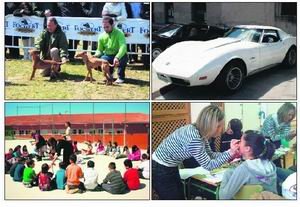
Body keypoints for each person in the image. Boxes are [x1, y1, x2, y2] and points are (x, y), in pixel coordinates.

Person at [152, 105, 240, 199]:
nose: (220, 130)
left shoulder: (199, 130)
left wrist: (229, 153)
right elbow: (209, 165)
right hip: (160, 168)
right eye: (218, 126)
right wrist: (230, 153)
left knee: (180, 197)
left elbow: (210, 154)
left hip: (170, 166)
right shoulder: (194, 138)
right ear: (209, 125)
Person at [219, 131, 277, 199]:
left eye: (240, 141)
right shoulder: (270, 165)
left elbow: (223, 197)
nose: (238, 143)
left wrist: (227, 173)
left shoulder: (244, 170)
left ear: (247, 149)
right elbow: (260, 178)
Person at [94, 16, 128, 84]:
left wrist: (117, 57)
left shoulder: (119, 33)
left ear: (113, 25)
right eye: (104, 27)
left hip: (118, 54)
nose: (105, 29)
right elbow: (99, 50)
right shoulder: (101, 36)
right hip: (107, 55)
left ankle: (121, 77)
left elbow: (123, 47)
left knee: (123, 57)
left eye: (107, 27)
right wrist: (95, 56)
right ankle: (110, 73)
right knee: (96, 63)